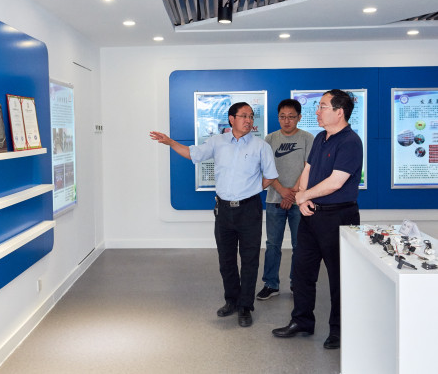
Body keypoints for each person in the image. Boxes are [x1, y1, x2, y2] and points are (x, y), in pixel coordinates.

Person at [150, 102, 278, 328]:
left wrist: (250, 190)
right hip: (224, 210)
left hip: (249, 209)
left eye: (251, 116)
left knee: (249, 259)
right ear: (231, 119)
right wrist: (170, 142)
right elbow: (193, 154)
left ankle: (245, 306)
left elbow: (270, 176)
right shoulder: (217, 142)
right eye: (244, 116)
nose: (249, 120)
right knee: (226, 259)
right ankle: (232, 300)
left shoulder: (261, 146)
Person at [272, 89, 363, 350]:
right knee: (302, 271)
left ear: (339, 112)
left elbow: (336, 182)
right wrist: (302, 197)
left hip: (339, 217)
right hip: (311, 214)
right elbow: (308, 170)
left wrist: (303, 196)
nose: (317, 111)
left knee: (338, 277)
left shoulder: (351, 142)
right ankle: (301, 321)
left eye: (322, 106)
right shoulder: (322, 137)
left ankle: (340, 330)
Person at [256, 99, 314, 300]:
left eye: (291, 117)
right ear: (278, 117)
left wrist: (293, 193)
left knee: (300, 245)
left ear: (299, 117)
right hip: (274, 199)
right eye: (282, 117)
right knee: (273, 244)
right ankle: (271, 284)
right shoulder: (270, 139)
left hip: (300, 201)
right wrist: (282, 191)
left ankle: (296, 283)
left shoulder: (307, 138)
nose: (286, 121)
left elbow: (308, 168)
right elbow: (265, 168)